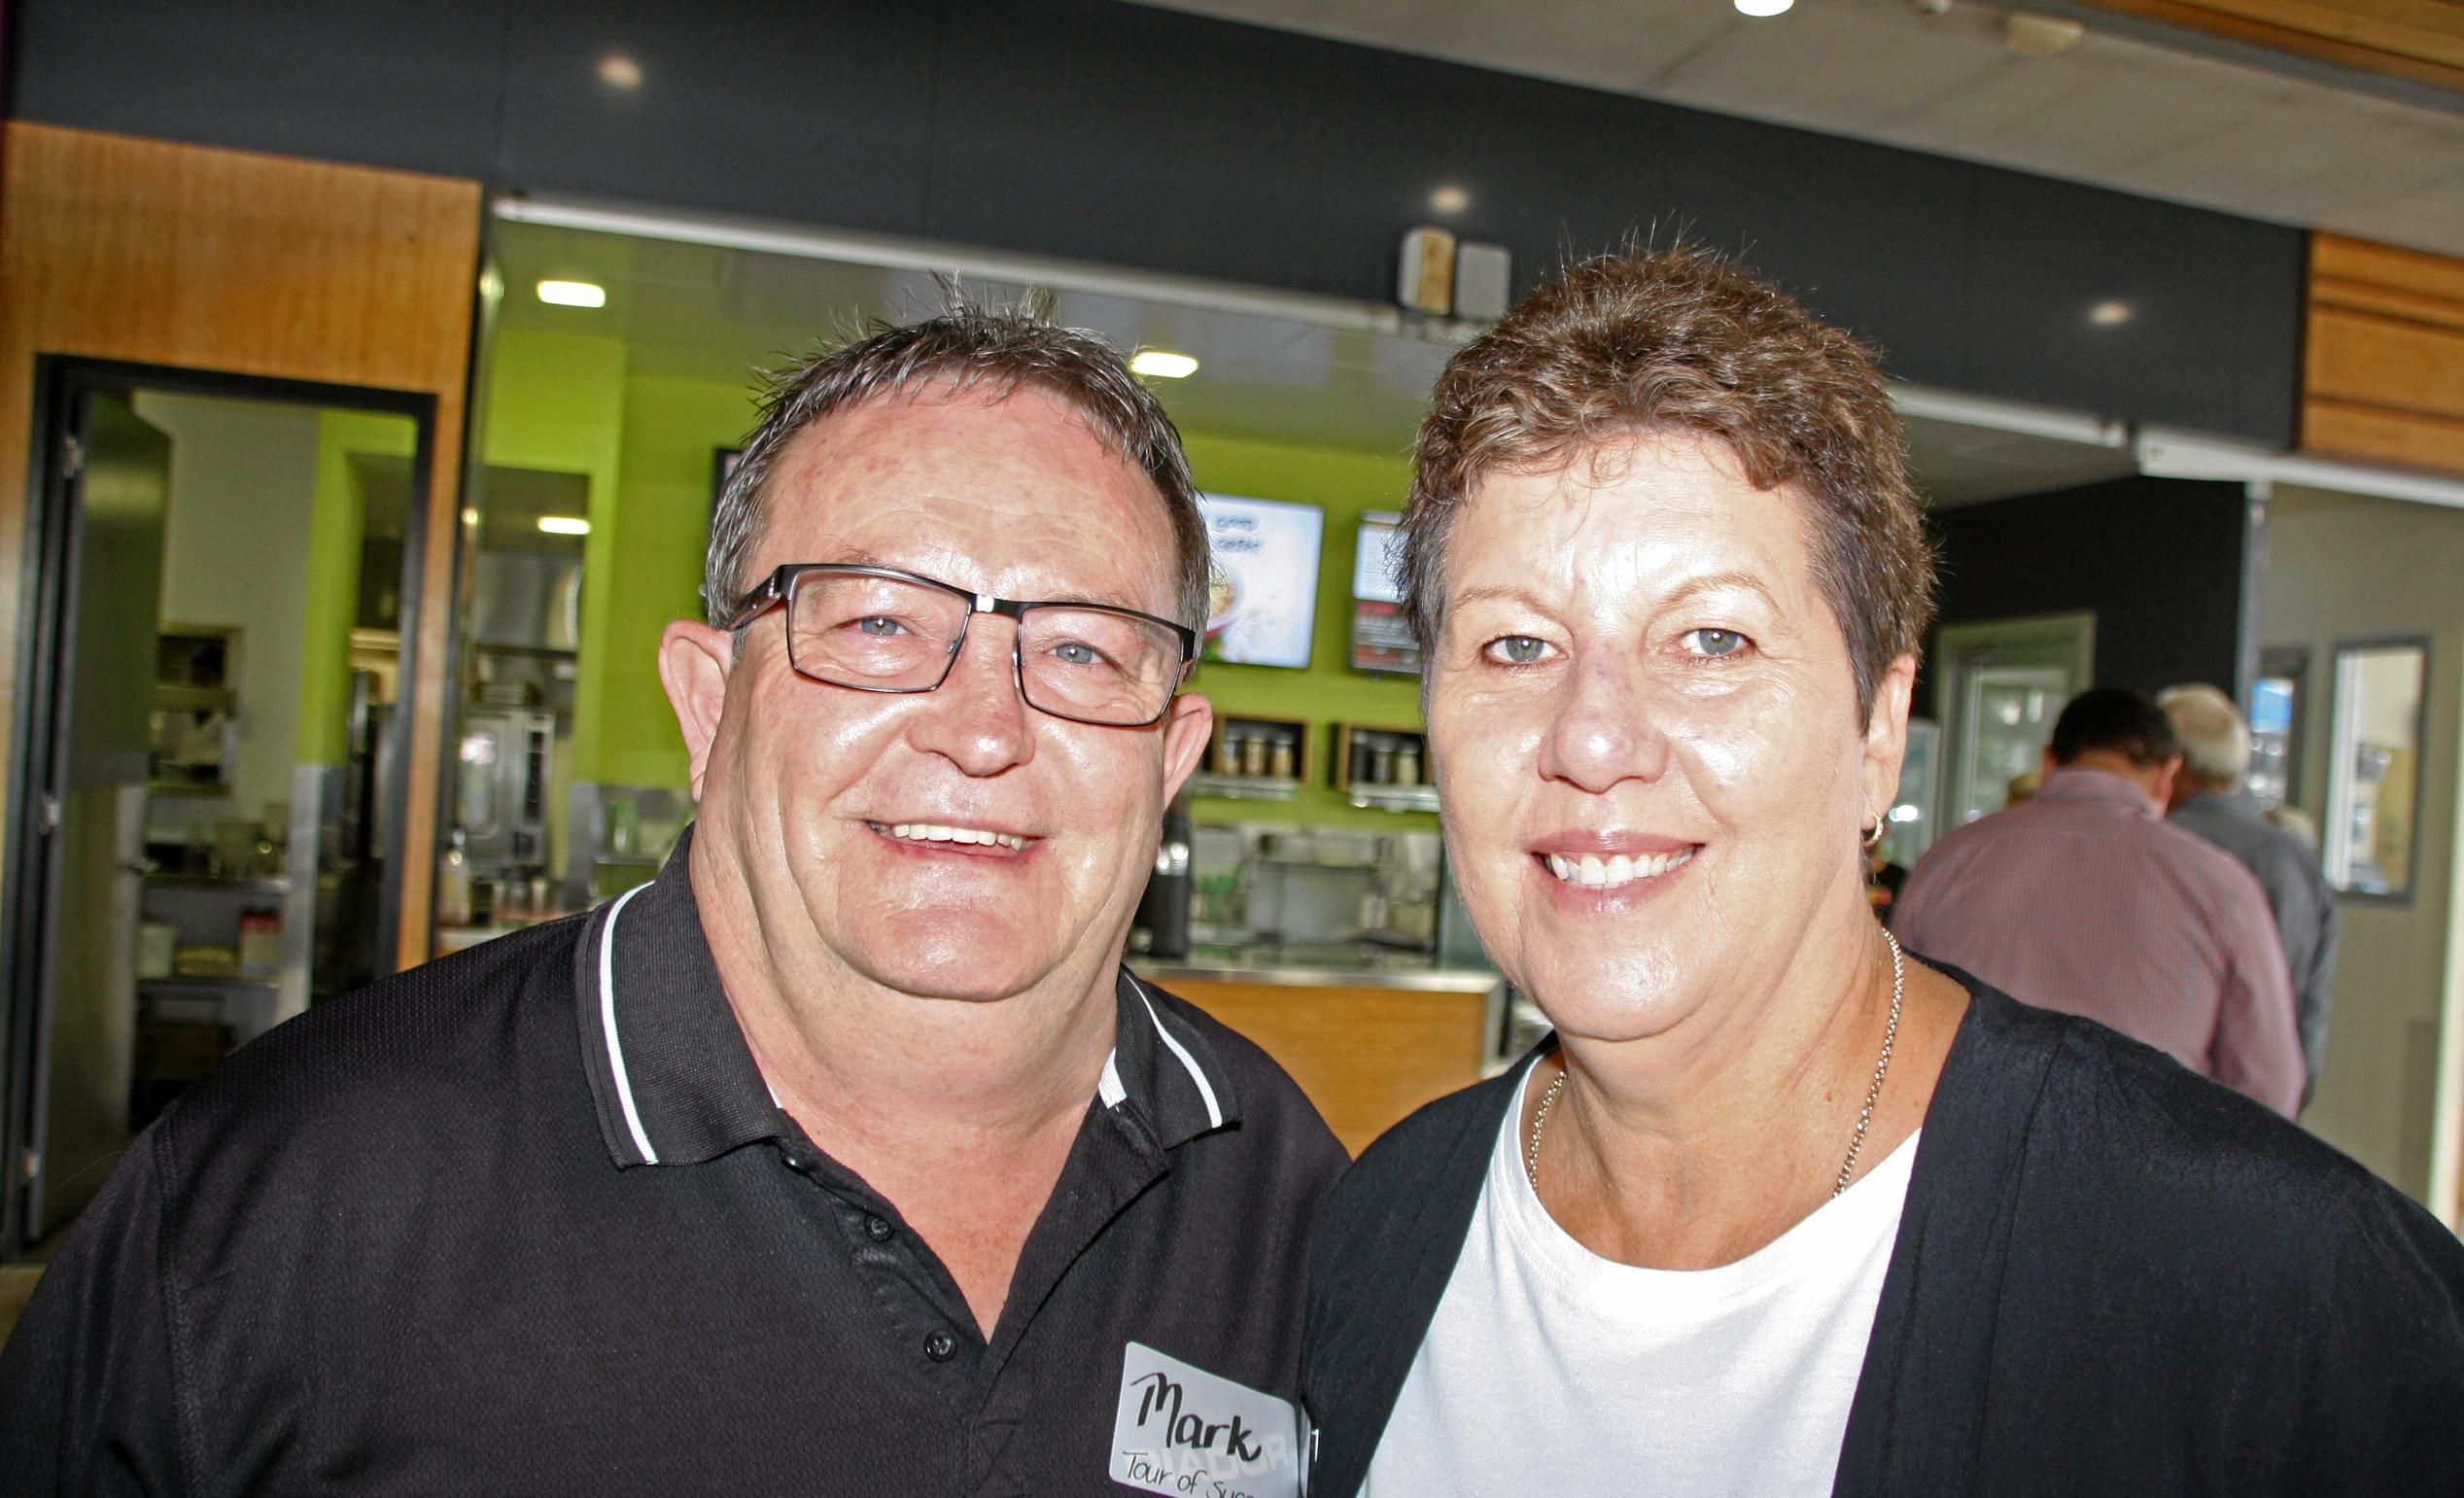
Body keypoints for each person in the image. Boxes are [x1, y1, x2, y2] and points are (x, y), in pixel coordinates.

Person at [0, 305, 1347, 1495]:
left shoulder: (1291, 1191)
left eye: (1079, 649)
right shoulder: (288, 1197)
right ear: (706, 704)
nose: (981, 727)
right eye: (876, 623)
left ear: (1170, 759)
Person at [1300, 247, 2464, 1498]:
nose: (1591, 738)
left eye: (1710, 638)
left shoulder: (2279, 1298)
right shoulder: (1378, 1228)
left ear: (1876, 730)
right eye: (1515, 642)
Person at [1893, 687, 2304, 1115]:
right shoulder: (2221, 887)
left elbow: (1894, 1015)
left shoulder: (1950, 859)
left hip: (1966, 1142)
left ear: (2050, 760)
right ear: (2168, 774)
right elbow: (2268, 1083)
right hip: (2145, 1163)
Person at [2160, 682, 2339, 1102]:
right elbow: (2313, 997)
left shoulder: (2157, 847)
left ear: (2175, 765)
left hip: (2169, 1105)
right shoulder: (2295, 856)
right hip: (2265, 1106)